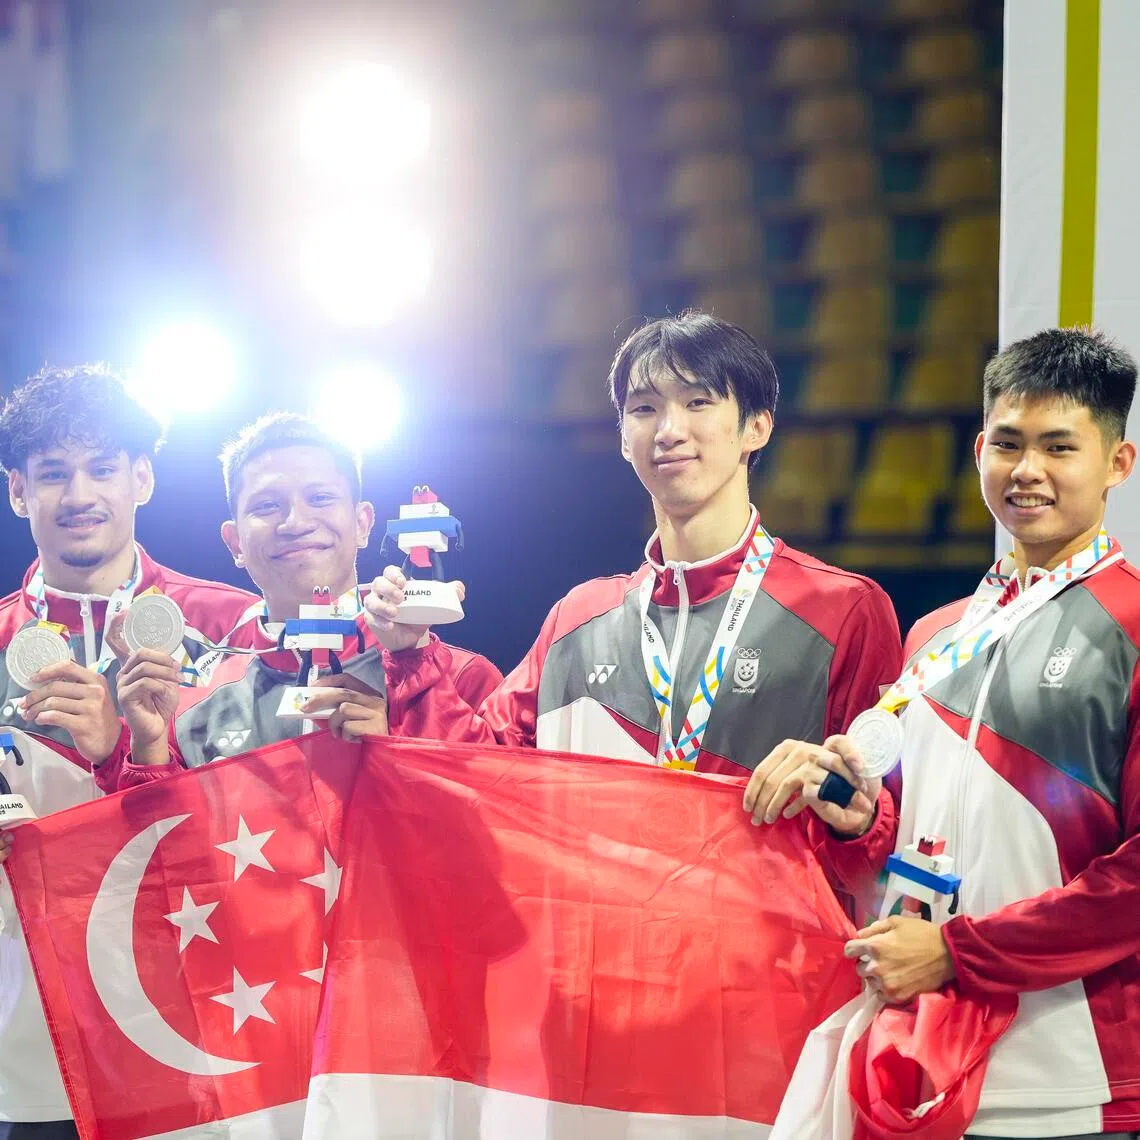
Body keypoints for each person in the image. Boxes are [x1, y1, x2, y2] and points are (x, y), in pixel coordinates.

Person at [749, 328, 1140, 1139]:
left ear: (1118, 464)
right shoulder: (936, 635)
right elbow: (909, 840)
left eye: (1059, 447)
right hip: (918, 1064)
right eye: (1008, 443)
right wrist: (860, 821)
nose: (1027, 470)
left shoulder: (1135, 625)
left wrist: (959, 953)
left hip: (1074, 1083)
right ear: (977, 451)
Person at [366, 312, 900, 812]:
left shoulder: (843, 610)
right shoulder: (578, 619)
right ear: (624, 437)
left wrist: (851, 814)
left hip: (763, 914)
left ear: (756, 428)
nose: (668, 430)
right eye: (644, 409)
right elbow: (477, 777)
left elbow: (883, 819)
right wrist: (413, 654)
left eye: (697, 402)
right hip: (597, 915)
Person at [0, 365, 258, 1140]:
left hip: (200, 1020)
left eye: (103, 468)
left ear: (141, 477)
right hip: (29, 1041)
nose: (80, 494)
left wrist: (126, 752)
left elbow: (264, 819)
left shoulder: (231, 624)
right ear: (18, 492)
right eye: (52, 474)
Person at [108, 413, 501, 786]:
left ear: (363, 524)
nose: (295, 522)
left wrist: (398, 751)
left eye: (320, 497)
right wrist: (150, 750)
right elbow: (162, 847)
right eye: (267, 506)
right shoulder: (187, 705)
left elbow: (508, 824)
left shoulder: (460, 678)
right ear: (235, 543)